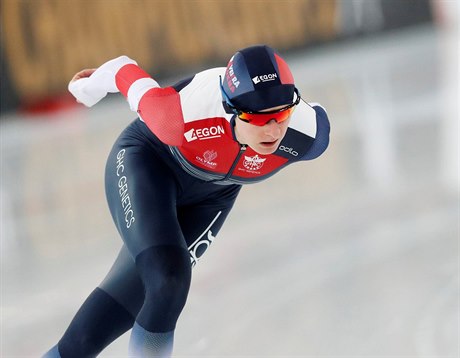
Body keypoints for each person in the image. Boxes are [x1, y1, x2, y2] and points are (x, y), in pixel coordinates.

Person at [43, 45, 330, 357]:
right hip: (149, 164)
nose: (274, 129)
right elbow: (123, 69)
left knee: (86, 339)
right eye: (258, 119)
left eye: (281, 114)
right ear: (231, 109)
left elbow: (308, 115)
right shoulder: (180, 115)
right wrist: (88, 88)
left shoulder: (308, 134)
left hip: (213, 197)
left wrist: (281, 115)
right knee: (169, 277)